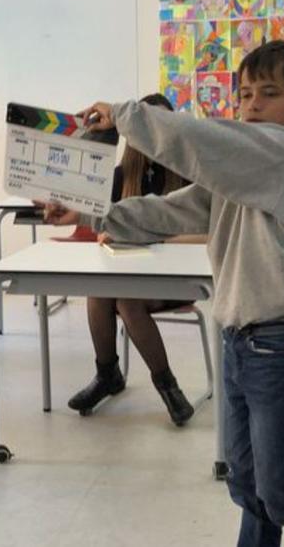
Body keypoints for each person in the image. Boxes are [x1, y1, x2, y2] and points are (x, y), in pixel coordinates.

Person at [45, 40, 284, 547]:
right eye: (245, 94)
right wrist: (94, 215)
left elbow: (198, 140)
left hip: (283, 342)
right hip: (240, 337)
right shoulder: (246, 166)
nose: (251, 106)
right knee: (247, 484)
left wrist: (123, 115)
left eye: (268, 94)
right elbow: (174, 209)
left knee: (281, 491)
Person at [65, 93, 199, 426]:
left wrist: (158, 236)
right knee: (103, 289)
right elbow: (103, 224)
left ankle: (165, 385)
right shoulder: (120, 175)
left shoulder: (188, 174)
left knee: (127, 298)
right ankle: (108, 373)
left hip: (179, 276)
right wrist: (105, 233)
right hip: (132, 271)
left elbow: (206, 233)